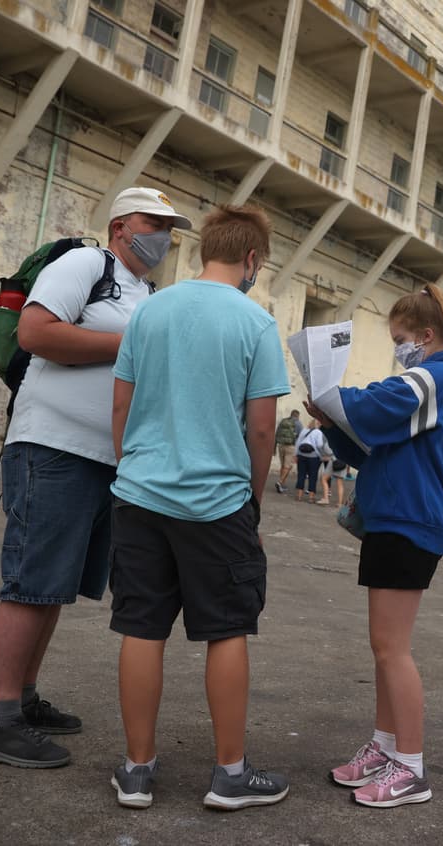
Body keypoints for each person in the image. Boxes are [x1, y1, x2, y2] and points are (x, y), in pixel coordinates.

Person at [0, 187, 190, 769]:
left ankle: (25, 699)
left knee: (54, 586)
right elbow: (37, 334)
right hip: (53, 446)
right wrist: (131, 343)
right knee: (31, 581)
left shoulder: (147, 292)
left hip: (105, 460)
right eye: (153, 222)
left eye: (170, 226)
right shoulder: (88, 264)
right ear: (120, 225)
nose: (163, 235)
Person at [106, 204, 290, 811]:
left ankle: (136, 771)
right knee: (227, 629)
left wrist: (132, 472)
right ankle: (229, 775)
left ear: (204, 248)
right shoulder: (256, 323)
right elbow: (262, 431)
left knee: (141, 627)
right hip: (217, 502)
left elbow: (121, 407)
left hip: (140, 495)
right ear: (252, 260)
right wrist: (253, 507)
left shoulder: (150, 311)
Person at [306, 284, 443, 808]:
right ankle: (386, 749)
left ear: (426, 336)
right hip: (398, 519)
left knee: (391, 648)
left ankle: (410, 766)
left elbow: (381, 404)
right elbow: (375, 448)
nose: (398, 348)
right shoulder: (438, 381)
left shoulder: (438, 376)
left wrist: (335, 399)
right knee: (385, 647)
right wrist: (333, 422)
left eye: (402, 339)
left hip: (409, 521)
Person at [294, 418, 324, 502]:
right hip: (313, 457)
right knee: (313, 476)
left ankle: (299, 496)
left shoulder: (304, 430)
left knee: (301, 475)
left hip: (301, 455)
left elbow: (298, 442)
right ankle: (311, 497)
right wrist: (321, 455)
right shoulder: (318, 432)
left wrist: (296, 454)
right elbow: (319, 445)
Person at [273, 410, 303, 493]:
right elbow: (301, 437)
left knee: (283, 466)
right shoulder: (298, 423)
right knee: (288, 466)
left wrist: (274, 448)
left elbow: (277, 434)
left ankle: (282, 484)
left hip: (281, 445)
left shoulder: (283, 421)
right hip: (291, 447)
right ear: (297, 416)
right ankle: (280, 482)